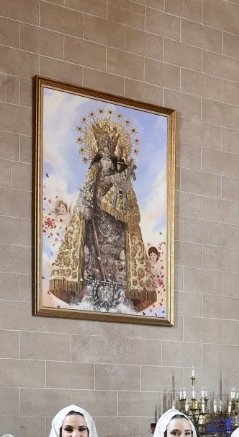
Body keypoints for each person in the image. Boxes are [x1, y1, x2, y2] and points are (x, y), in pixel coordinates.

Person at [47, 114, 159, 313]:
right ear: (99, 159)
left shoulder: (120, 178)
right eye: (103, 159)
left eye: (109, 159)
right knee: (93, 258)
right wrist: (87, 208)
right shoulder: (93, 175)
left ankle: (119, 293)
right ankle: (89, 291)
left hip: (116, 228)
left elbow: (128, 205)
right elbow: (85, 195)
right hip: (95, 224)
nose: (106, 162)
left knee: (117, 260)